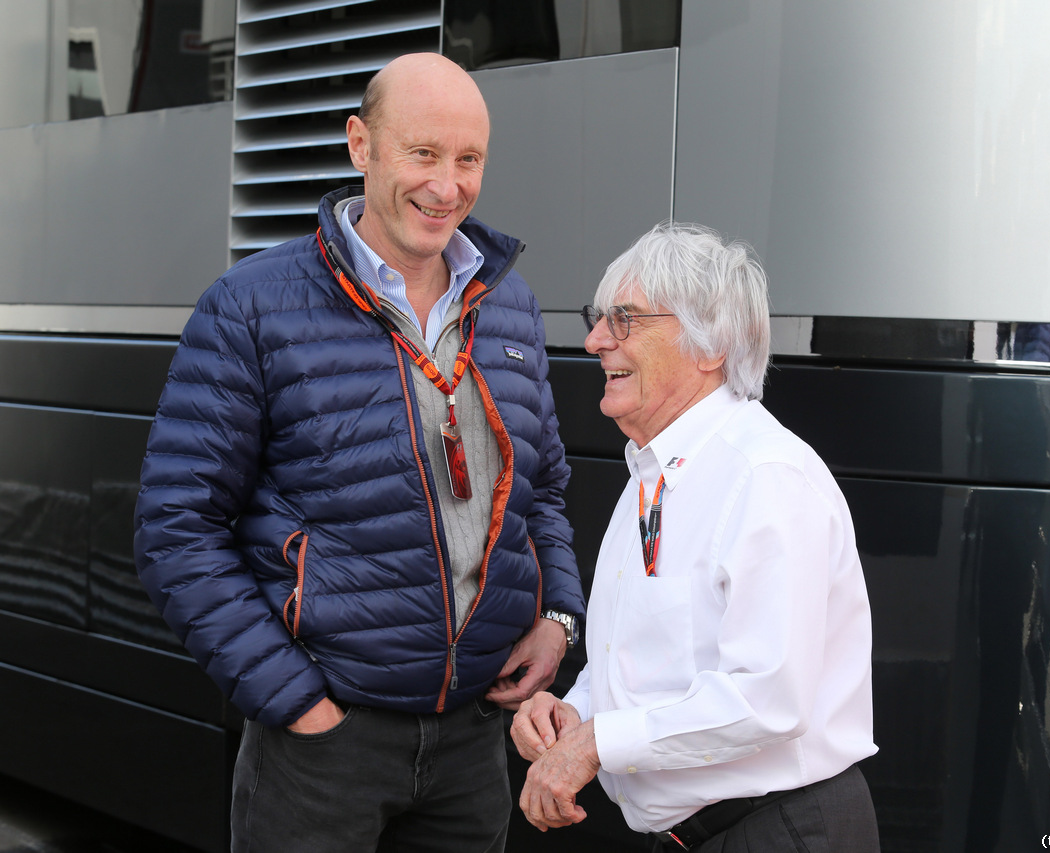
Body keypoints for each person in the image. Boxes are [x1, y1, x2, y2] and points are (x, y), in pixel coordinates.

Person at [133, 53, 584, 853]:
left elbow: (542, 491)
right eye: (423, 153)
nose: (447, 186)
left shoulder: (508, 303)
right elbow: (177, 527)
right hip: (323, 745)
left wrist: (557, 618)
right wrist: (298, 703)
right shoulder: (250, 307)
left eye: (468, 159)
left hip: (472, 741)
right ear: (360, 145)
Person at [511, 223, 879, 851]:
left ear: (710, 345)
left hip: (782, 832)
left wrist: (599, 743)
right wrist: (575, 713)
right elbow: (647, 660)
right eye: (599, 318)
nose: (596, 340)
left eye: (624, 320)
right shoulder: (653, 468)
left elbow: (766, 698)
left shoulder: (766, 478)